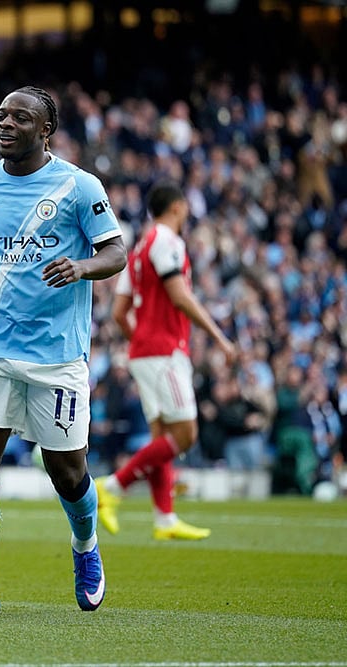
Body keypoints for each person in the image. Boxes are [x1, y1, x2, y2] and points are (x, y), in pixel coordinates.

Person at [0, 86, 126, 615]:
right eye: (1, 116)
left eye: (20, 118)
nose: (5, 125)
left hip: (58, 356)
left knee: (65, 470)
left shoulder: (78, 186)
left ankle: (85, 546)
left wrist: (81, 267)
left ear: (46, 131)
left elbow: (115, 251)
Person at [97, 180, 237, 540]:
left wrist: (140, 341)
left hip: (146, 351)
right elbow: (179, 295)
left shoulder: (141, 247)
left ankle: (164, 519)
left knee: (161, 436)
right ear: (177, 207)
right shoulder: (166, 241)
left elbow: (118, 312)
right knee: (186, 434)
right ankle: (111, 487)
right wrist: (219, 336)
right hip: (164, 351)